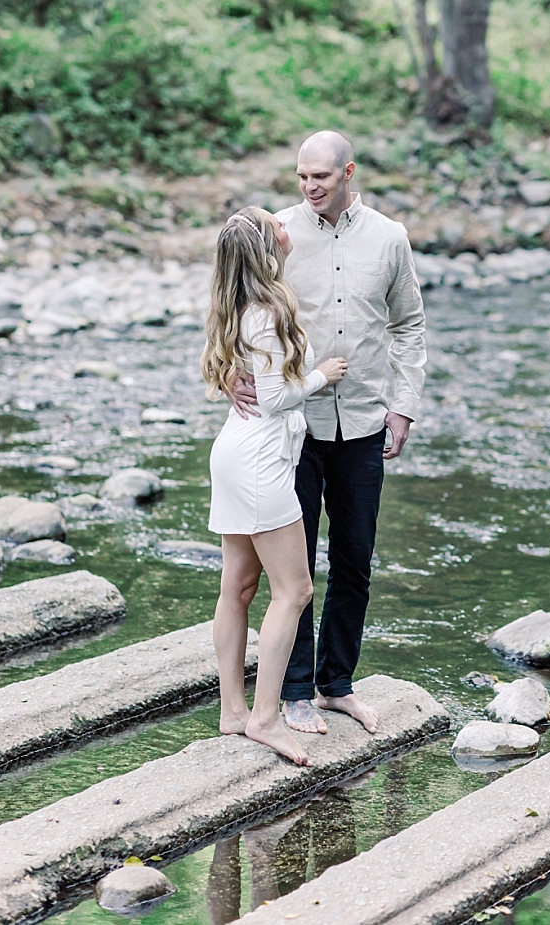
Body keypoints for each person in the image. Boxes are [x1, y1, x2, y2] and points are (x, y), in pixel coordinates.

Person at [229, 130, 426, 737]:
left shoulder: (390, 238)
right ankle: (293, 693)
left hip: (366, 422)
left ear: (348, 172)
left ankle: (336, 684)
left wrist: (404, 405)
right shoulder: (278, 234)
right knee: (294, 572)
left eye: (321, 177)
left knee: (355, 563)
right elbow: (232, 307)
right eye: (301, 177)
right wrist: (225, 376)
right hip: (293, 429)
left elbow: (410, 325)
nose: (310, 188)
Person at [203, 206, 349, 766]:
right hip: (261, 460)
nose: (288, 222)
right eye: (277, 223)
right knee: (296, 591)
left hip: (235, 453)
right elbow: (272, 396)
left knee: (237, 588)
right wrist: (321, 377)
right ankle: (264, 718)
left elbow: (250, 383)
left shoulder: (241, 303)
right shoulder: (266, 310)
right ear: (269, 247)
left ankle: (232, 711)